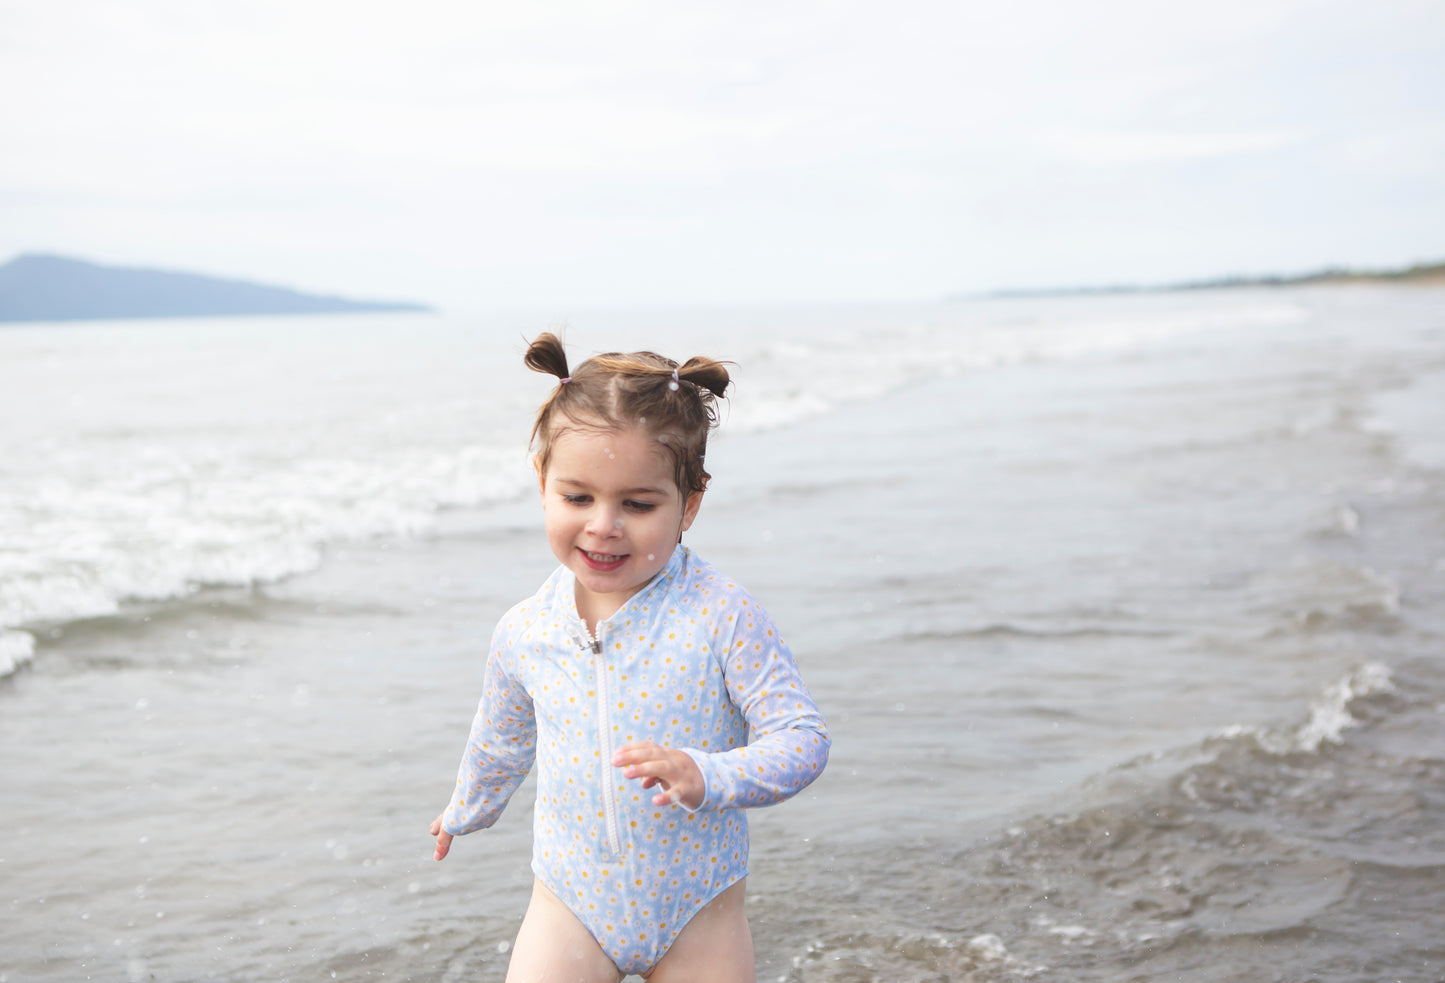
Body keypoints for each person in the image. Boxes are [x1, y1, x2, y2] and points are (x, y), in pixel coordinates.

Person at [430, 332, 831, 982]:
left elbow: (802, 738)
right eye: (577, 497)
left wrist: (710, 775)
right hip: (569, 901)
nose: (603, 524)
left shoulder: (721, 615)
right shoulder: (524, 629)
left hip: (698, 909)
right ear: (542, 483)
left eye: (638, 504)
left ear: (689, 503)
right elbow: (502, 738)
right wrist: (466, 807)